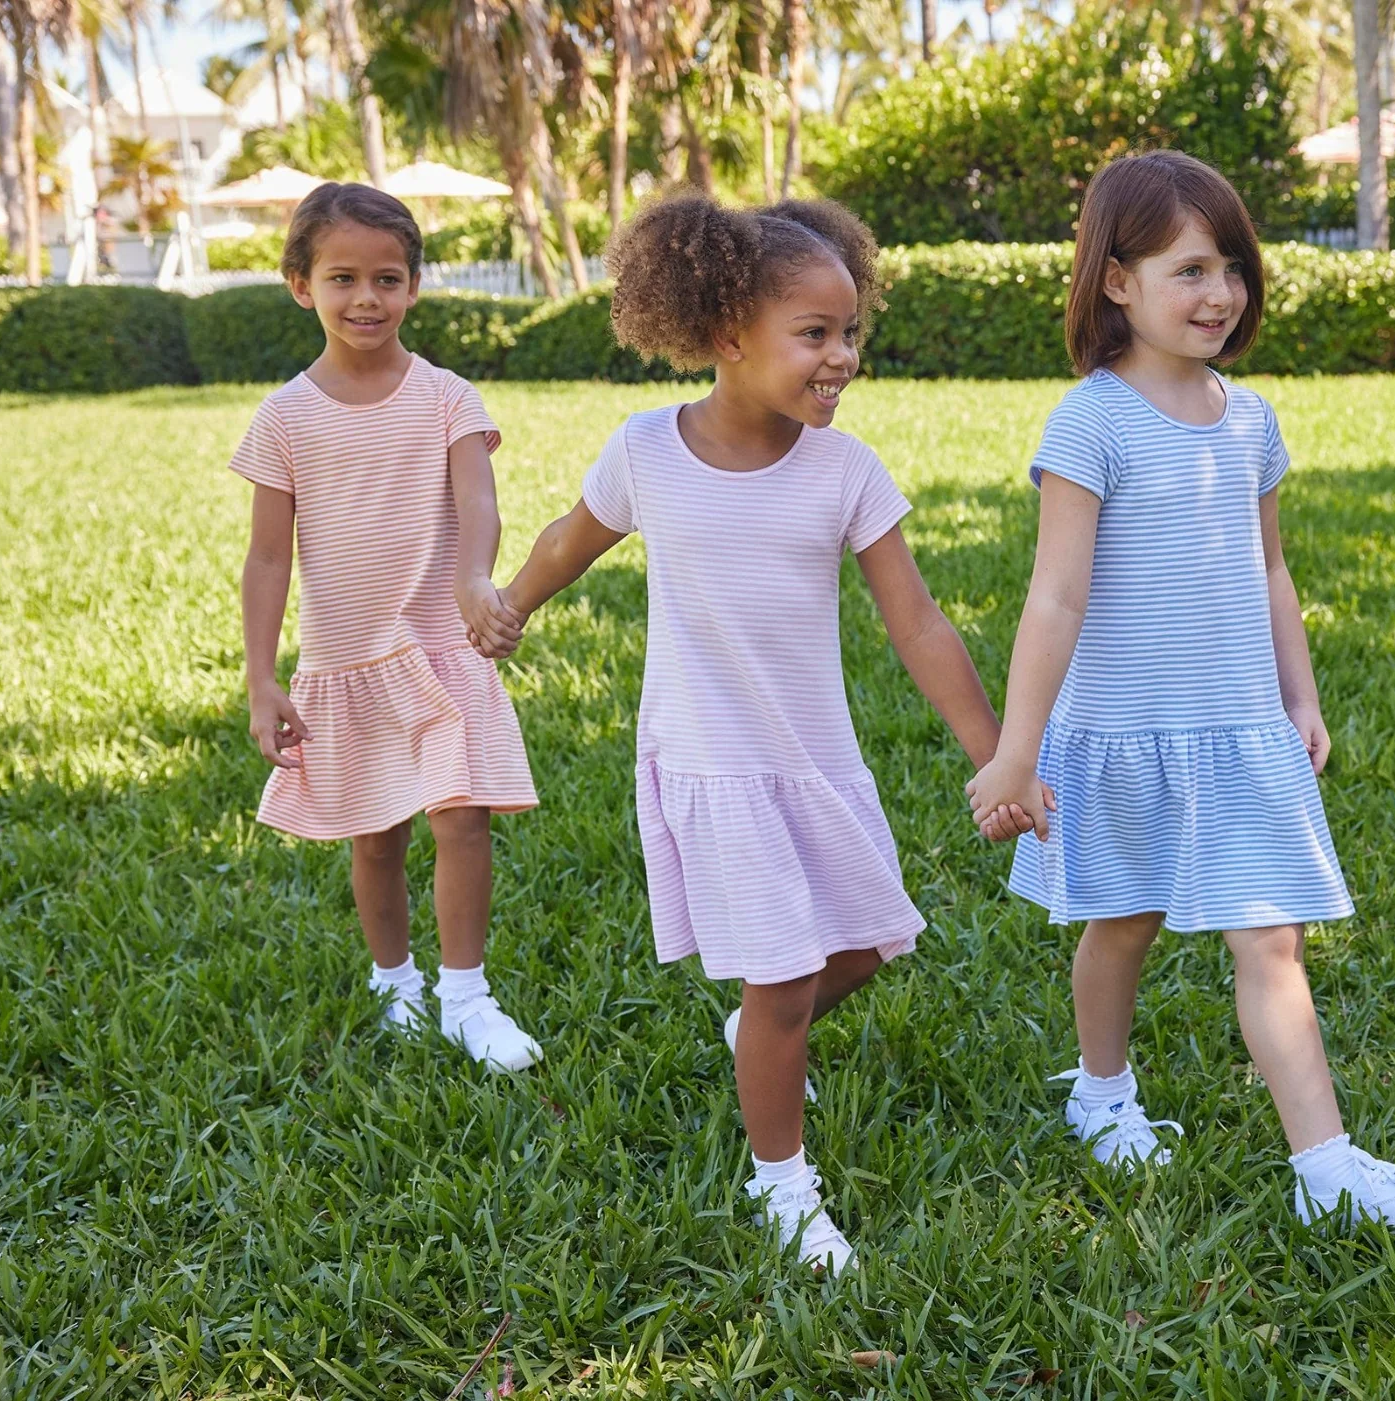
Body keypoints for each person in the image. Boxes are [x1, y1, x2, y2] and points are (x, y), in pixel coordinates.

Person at [480, 194, 1026, 1273]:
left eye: (850, 331)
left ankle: (755, 1037)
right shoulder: (647, 451)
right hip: (711, 762)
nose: (844, 357)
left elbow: (915, 621)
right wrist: (513, 604)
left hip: (815, 758)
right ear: (727, 335)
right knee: (779, 983)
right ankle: (784, 1185)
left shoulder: (845, 470)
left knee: (873, 938)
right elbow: (569, 539)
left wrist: (996, 749)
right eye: (815, 335)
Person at [967, 151, 1395, 1234]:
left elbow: (1271, 568)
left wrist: (1300, 693)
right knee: (1122, 924)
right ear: (1116, 281)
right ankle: (1102, 1095)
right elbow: (1054, 598)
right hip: (1123, 730)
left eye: (1233, 269)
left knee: (1271, 937)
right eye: (1190, 269)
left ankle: (1326, 1165)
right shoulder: (1091, 422)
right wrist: (1018, 750)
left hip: (1241, 727)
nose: (1220, 294)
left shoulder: (1249, 420)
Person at [233, 182, 542, 1073]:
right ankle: (395, 980)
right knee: (375, 833)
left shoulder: (447, 396)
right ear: (301, 285)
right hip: (346, 655)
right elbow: (266, 559)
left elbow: (475, 503)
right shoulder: (284, 417)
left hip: (440, 647)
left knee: (463, 816)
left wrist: (475, 576)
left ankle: (466, 994)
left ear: (412, 287)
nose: (367, 298)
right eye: (343, 278)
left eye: (388, 278)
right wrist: (263, 675)